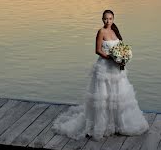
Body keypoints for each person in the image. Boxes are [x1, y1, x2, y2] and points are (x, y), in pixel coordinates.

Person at [53, 9, 149, 141]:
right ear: (102, 19)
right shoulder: (101, 32)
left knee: (118, 96)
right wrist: (111, 58)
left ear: (113, 19)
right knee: (104, 97)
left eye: (110, 18)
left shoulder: (115, 31)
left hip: (116, 69)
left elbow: (120, 48)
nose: (107, 21)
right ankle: (101, 125)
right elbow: (97, 50)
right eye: (105, 18)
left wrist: (122, 57)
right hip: (104, 67)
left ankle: (118, 123)